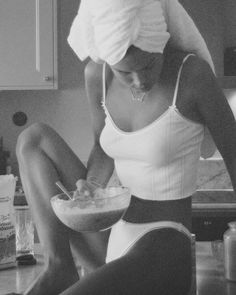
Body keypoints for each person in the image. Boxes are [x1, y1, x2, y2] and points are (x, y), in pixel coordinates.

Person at [13, 1, 236, 295]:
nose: (140, 80)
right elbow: (103, 147)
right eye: (124, 72)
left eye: (149, 65)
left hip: (165, 241)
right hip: (113, 231)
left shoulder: (192, 75)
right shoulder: (97, 75)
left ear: (161, 43)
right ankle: (59, 268)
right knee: (33, 139)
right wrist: (91, 185)